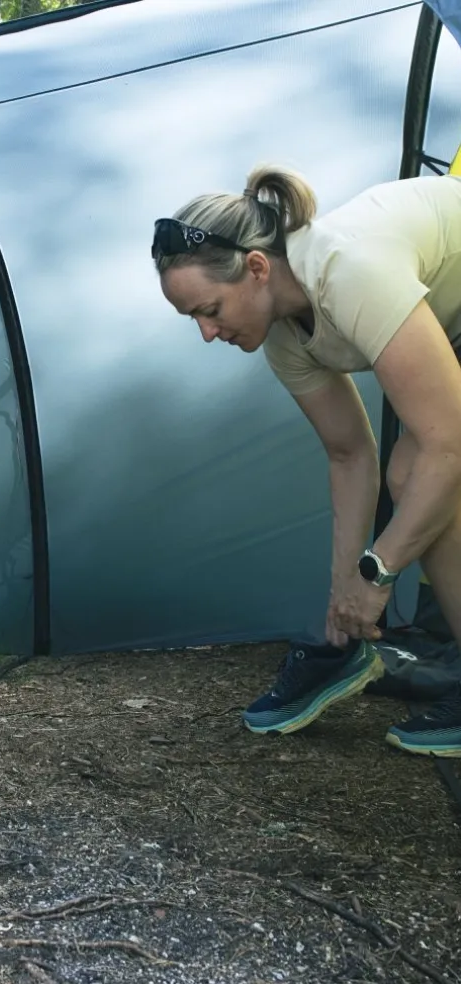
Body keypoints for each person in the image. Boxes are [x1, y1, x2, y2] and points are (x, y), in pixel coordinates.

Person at [152, 165, 461, 757]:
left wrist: (378, 574)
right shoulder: (282, 331)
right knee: (410, 470)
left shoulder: (348, 271)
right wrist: (343, 590)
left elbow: (447, 445)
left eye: (209, 309)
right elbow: (348, 453)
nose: (207, 333)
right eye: (193, 317)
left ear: (258, 268)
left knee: (424, 467)